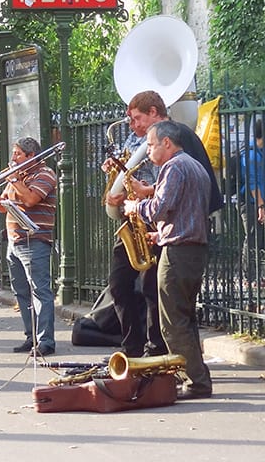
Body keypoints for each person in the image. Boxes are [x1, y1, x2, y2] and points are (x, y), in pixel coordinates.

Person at [104, 90, 222, 358]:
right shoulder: (142, 141)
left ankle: (158, 350)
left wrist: (145, 197)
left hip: (166, 226)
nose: (134, 126)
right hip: (138, 222)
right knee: (119, 285)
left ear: (154, 113)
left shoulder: (176, 139)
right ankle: (131, 350)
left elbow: (180, 187)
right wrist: (118, 171)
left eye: (137, 119)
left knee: (155, 292)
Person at [124, 120, 213, 399]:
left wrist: (134, 206)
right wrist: (159, 237)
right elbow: (185, 210)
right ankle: (196, 377)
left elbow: (160, 208)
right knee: (185, 318)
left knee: (172, 321)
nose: (148, 151)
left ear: (166, 143)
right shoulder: (194, 165)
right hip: (191, 248)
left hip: (179, 253)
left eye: (150, 145)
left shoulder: (173, 166)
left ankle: (195, 382)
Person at [0, 137, 57, 356]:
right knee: (21, 292)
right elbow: (2, 206)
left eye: (17, 154)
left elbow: (30, 200)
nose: (13, 158)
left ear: (30, 156)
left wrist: (15, 180)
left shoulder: (45, 174)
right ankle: (31, 336)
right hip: (14, 240)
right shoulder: (17, 177)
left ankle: (46, 341)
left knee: (40, 290)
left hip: (35, 240)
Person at [238, 118, 264, 283]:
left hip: (260, 203)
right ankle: (249, 277)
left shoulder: (259, 152)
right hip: (250, 202)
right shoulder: (251, 153)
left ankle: (259, 275)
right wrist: (261, 205)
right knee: (253, 237)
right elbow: (252, 182)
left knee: (259, 239)